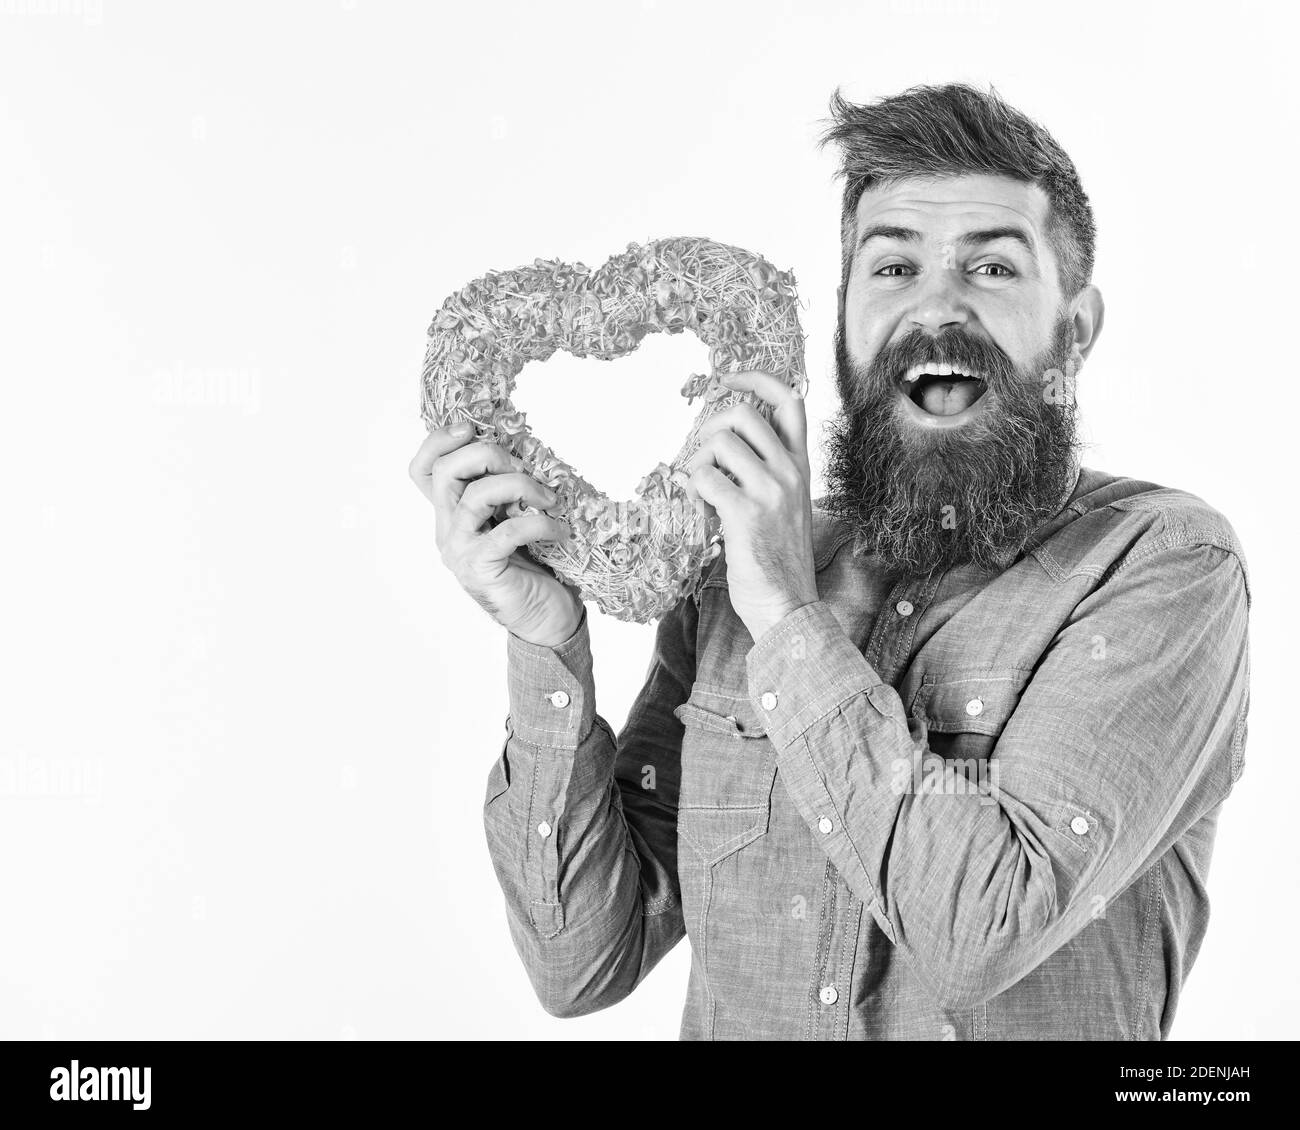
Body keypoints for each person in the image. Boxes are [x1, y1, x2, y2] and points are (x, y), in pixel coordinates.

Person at [409, 83, 1251, 1040]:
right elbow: (582, 962)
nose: (938, 306)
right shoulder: (738, 564)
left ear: (1077, 329)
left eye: (993, 269)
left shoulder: (1163, 566)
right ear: (841, 320)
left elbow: (981, 928)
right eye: (892, 266)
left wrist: (785, 615)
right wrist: (546, 640)